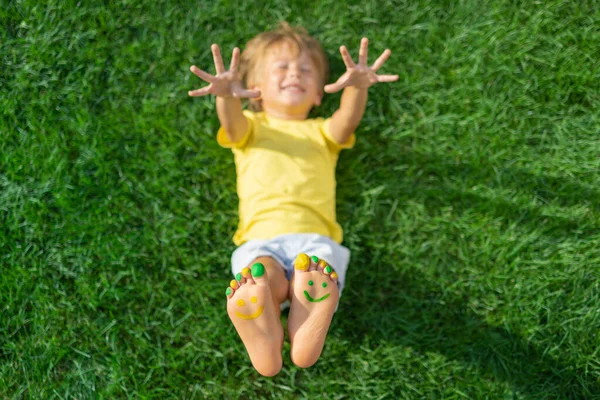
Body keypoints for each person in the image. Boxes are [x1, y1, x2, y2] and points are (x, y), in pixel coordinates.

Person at [188, 22, 398, 376]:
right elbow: (232, 122)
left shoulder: (321, 132)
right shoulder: (250, 129)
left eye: (305, 71)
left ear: (318, 94)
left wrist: (358, 88)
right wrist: (225, 95)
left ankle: (301, 330)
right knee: (264, 277)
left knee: (307, 271)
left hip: (314, 240)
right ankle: (267, 329)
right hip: (261, 238)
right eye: (281, 68)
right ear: (254, 91)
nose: (294, 75)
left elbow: (346, 121)